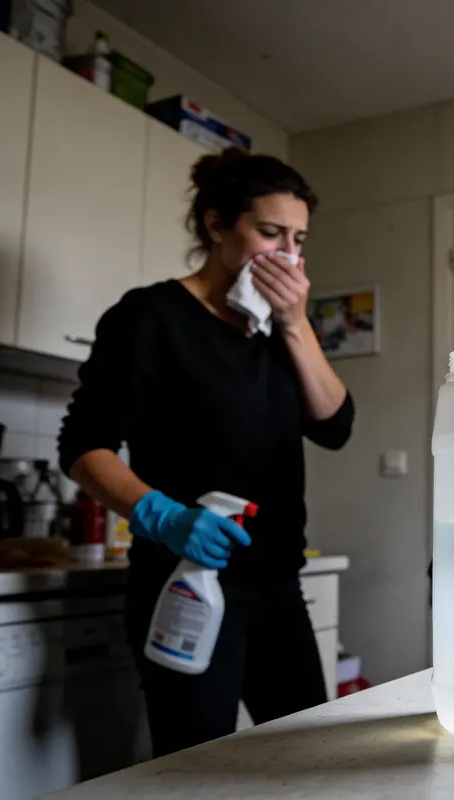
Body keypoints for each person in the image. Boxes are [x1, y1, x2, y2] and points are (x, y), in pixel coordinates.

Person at [58, 148, 353, 757]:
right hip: (184, 584)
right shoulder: (150, 317)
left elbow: (336, 424)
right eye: (269, 233)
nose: (286, 254)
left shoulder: (278, 330)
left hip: (277, 583)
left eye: (298, 239)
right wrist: (160, 515)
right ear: (217, 226)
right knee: (196, 770)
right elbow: (83, 445)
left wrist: (296, 324)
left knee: (310, 761)